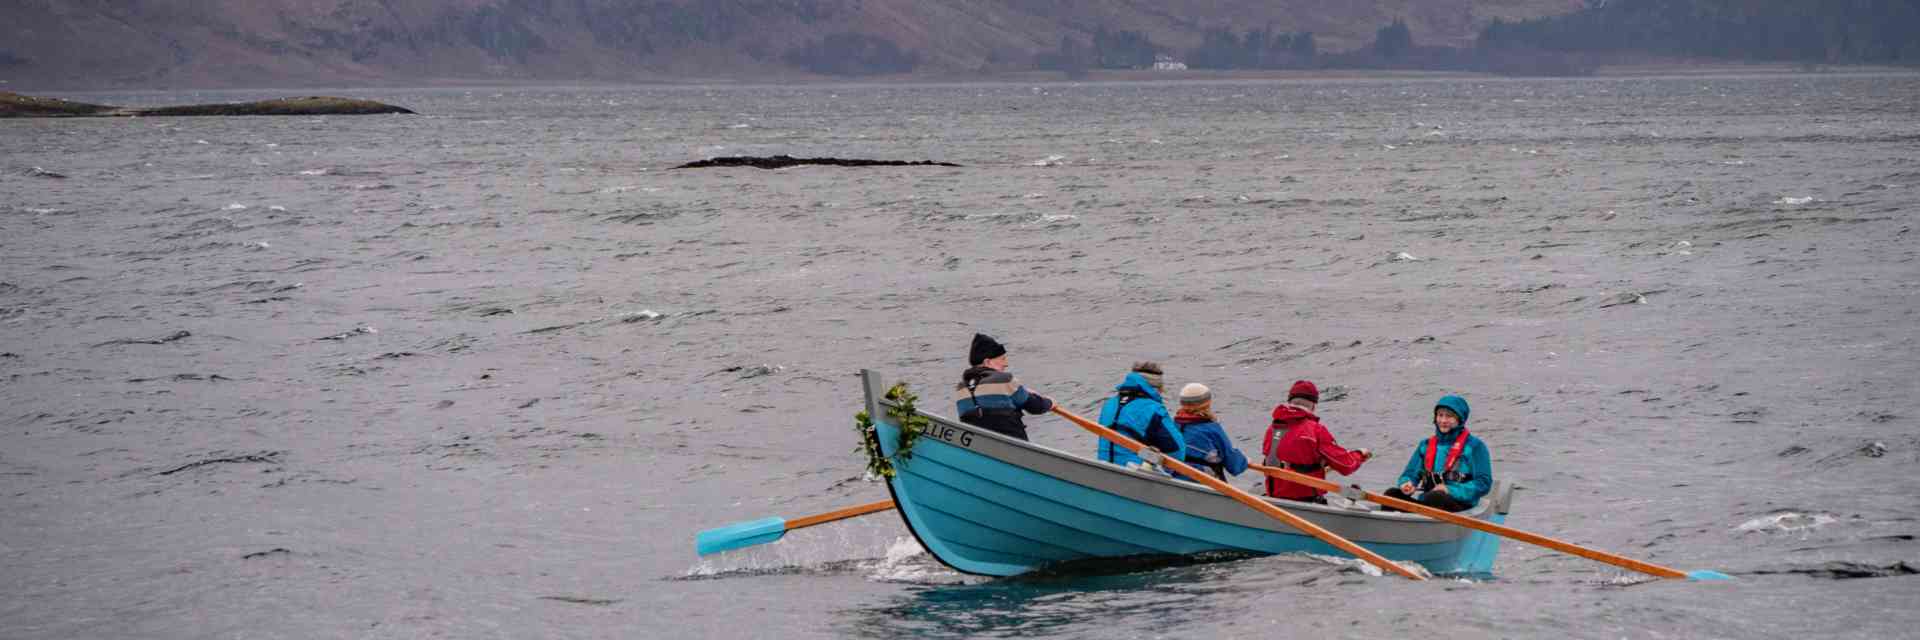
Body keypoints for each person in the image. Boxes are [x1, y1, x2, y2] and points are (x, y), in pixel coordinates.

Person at [1261, 380, 1372, 503]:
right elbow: (1346, 466)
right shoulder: (1315, 430)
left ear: (1289, 403)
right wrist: (1360, 454)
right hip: (1306, 500)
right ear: (1313, 406)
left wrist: (1322, 463)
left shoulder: (1271, 429)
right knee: (1354, 492)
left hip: (1274, 497)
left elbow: (1293, 456)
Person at [1384, 395, 1492, 512]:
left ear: (1460, 419)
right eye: (1440, 415)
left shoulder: (1475, 446)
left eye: (1449, 416)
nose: (1443, 421)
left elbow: (1483, 484)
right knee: (1391, 495)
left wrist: (1449, 490)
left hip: (1460, 505)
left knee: (1436, 497)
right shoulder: (1425, 445)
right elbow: (1410, 474)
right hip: (1428, 503)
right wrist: (1407, 483)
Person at [953, 333, 1053, 441]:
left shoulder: (961, 388)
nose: (1006, 364)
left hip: (977, 444)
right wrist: (1050, 403)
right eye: (1002, 359)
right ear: (987, 362)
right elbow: (1035, 407)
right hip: (1014, 445)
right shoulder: (1004, 380)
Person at [1095, 361, 1185, 472]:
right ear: (1157, 388)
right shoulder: (1153, 409)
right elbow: (1177, 452)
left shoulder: (1109, 405)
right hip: (1135, 474)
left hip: (1103, 469)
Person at [1172, 383, 1249, 481]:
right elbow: (1232, 462)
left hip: (1176, 475)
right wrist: (1245, 461)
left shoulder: (1172, 424)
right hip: (1204, 481)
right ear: (1207, 403)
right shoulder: (1211, 429)